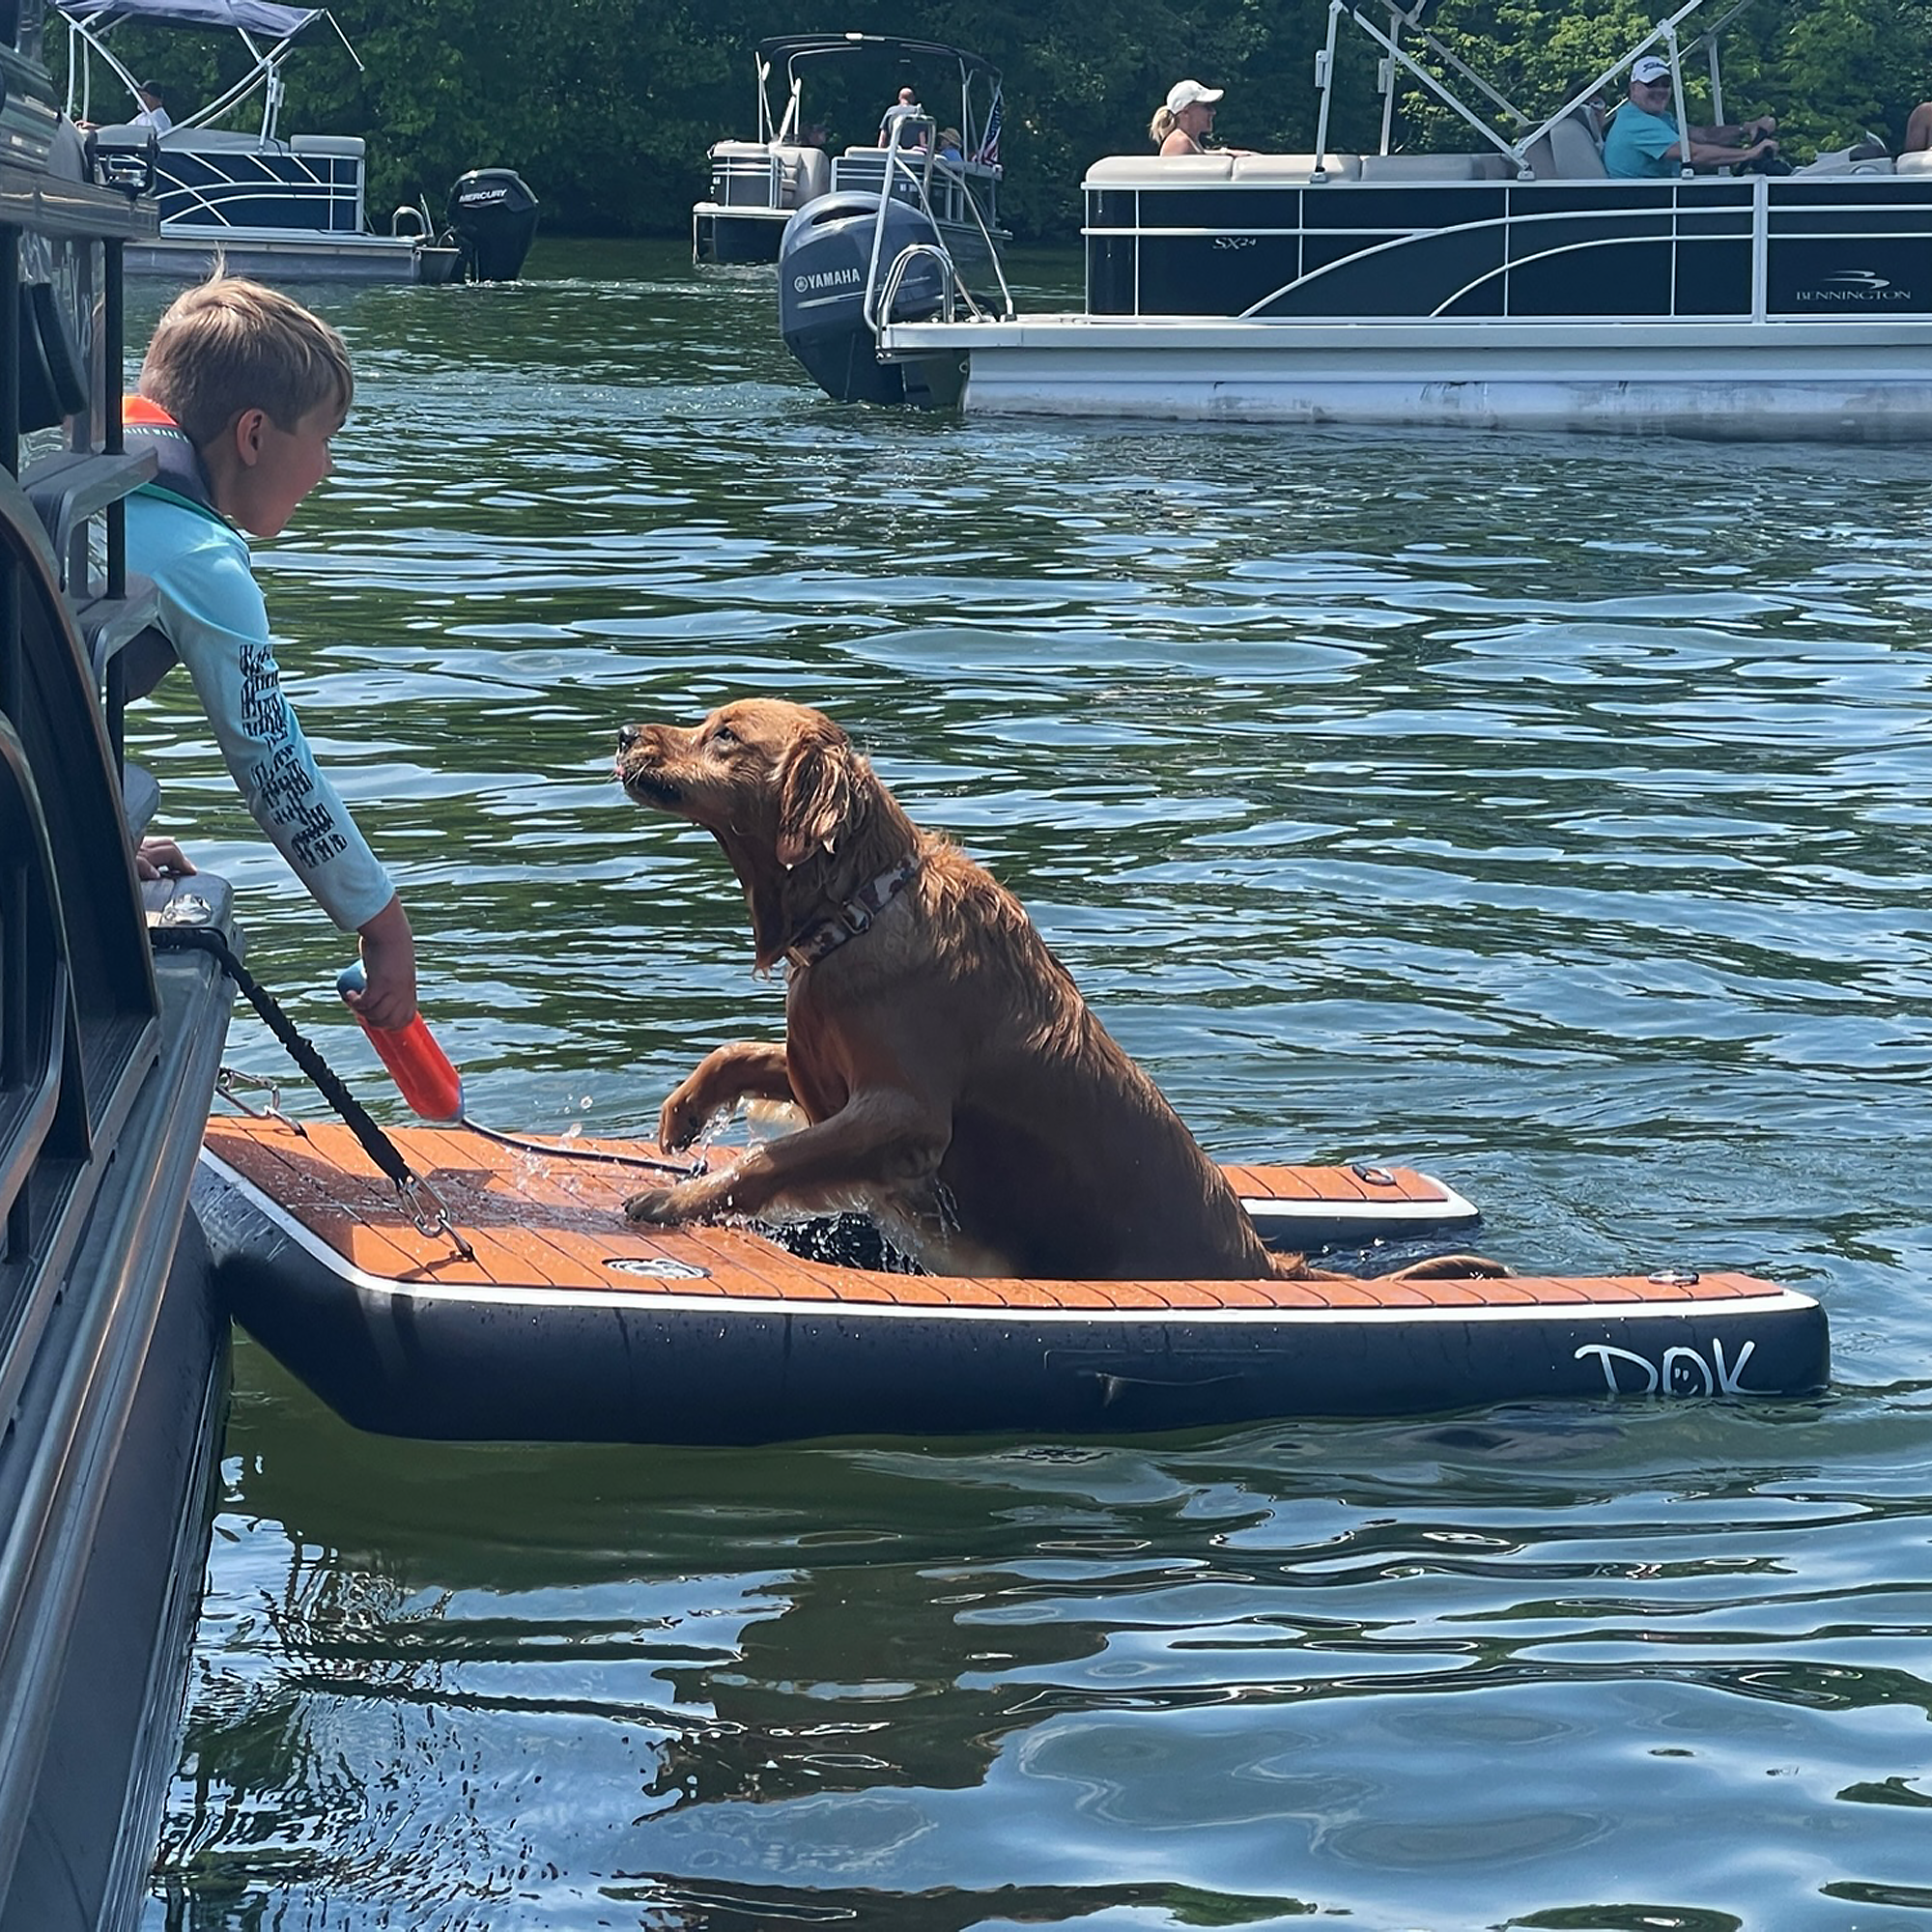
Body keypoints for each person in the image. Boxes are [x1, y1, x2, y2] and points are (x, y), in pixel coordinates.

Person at [122, 275, 419, 1032]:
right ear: (254, 435)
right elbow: (275, 768)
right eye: (323, 439)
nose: (326, 468)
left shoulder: (88, 483)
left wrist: (103, 841)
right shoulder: (202, 559)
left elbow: (57, 693)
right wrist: (382, 924)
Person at [1602, 55, 1777, 178]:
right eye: (1652, 84)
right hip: (1645, 211)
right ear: (1634, 89)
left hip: (1661, 204)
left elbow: (1703, 135)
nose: (1660, 90)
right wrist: (1749, 153)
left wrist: (1746, 129)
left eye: (1665, 84)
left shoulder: (1658, 118)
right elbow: (1692, 153)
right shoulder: (1637, 124)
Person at [1150, 78, 1252, 157]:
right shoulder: (1180, 142)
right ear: (1186, 111)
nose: (1213, 112)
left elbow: (1203, 156)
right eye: (1206, 106)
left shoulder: (1188, 141)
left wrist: (1229, 153)